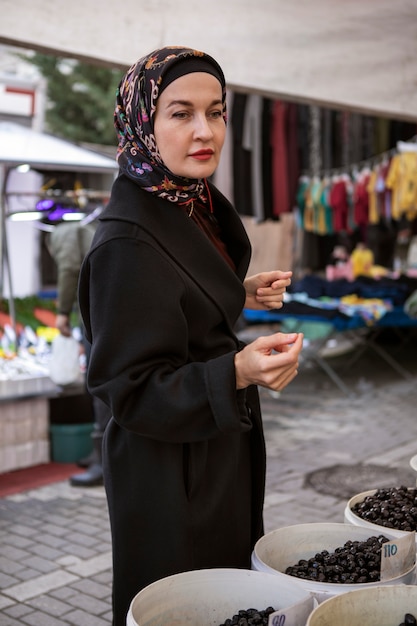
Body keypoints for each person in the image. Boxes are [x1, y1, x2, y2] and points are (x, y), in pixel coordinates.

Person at [78, 45, 303, 625]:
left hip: (212, 452)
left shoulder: (183, 202)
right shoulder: (127, 241)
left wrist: (235, 289)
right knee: (189, 606)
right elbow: (126, 389)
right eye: (180, 113)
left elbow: (174, 290)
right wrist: (238, 370)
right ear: (142, 123)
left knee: (228, 595)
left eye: (217, 111)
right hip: (168, 476)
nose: (206, 131)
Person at [48, 219, 111, 487]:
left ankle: (104, 461)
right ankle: (101, 453)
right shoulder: (85, 230)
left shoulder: (61, 235)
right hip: (106, 305)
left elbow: (70, 268)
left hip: (100, 310)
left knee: (99, 382)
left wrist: (62, 312)